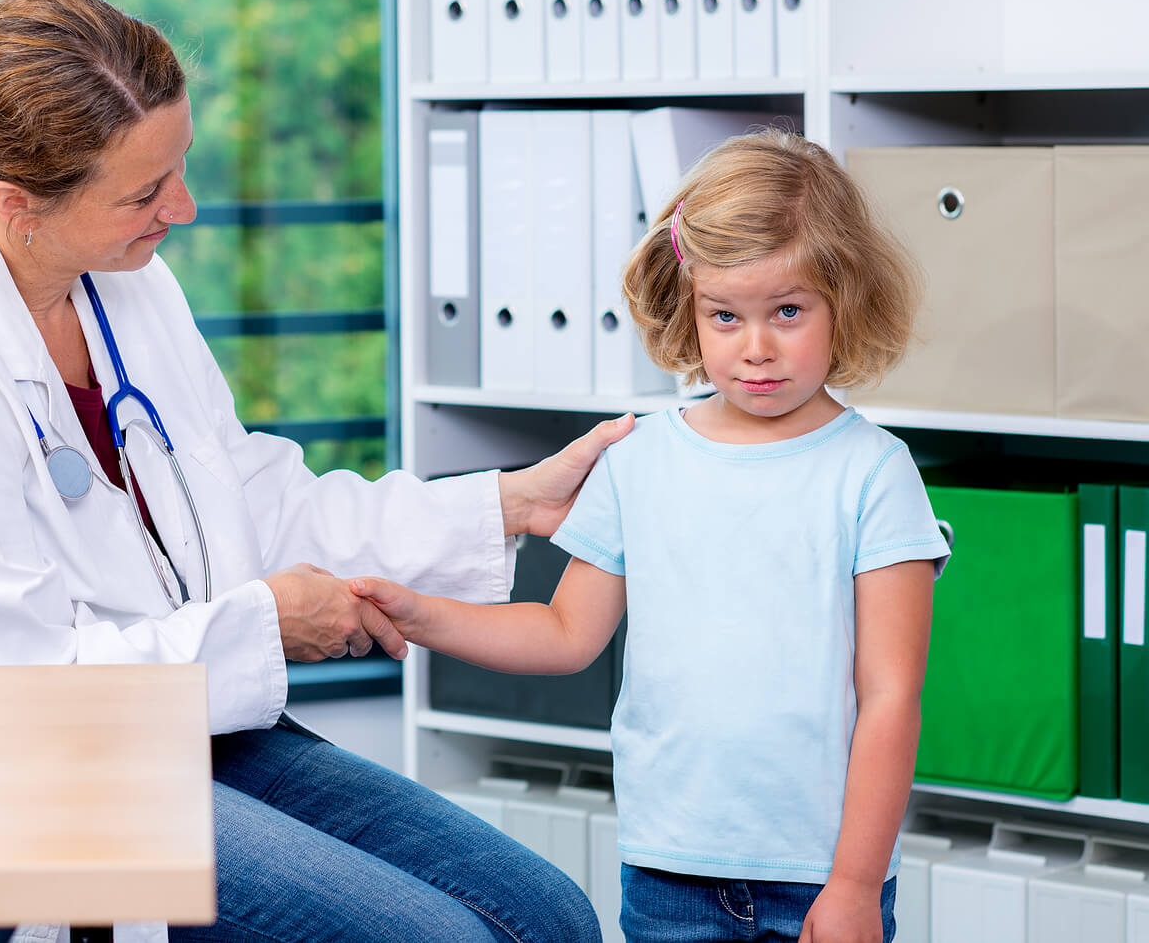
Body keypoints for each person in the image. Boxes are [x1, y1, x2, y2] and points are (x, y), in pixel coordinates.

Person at [0, 0, 626, 943]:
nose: (186, 208)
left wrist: (510, 504)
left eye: (180, 167)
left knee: (551, 917)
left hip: (168, 730)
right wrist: (264, 625)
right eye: (144, 192)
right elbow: (11, 691)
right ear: (17, 203)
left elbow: (251, 503)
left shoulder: (127, 290)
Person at [352, 130, 951, 943]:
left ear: (843, 297)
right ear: (689, 305)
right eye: (725, 316)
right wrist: (424, 615)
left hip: (820, 878)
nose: (757, 348)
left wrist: (851, 885)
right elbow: (564, 634)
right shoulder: (640, 460)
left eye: (788, 310)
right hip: (669, 874)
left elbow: (892, 698)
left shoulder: (875, 474)